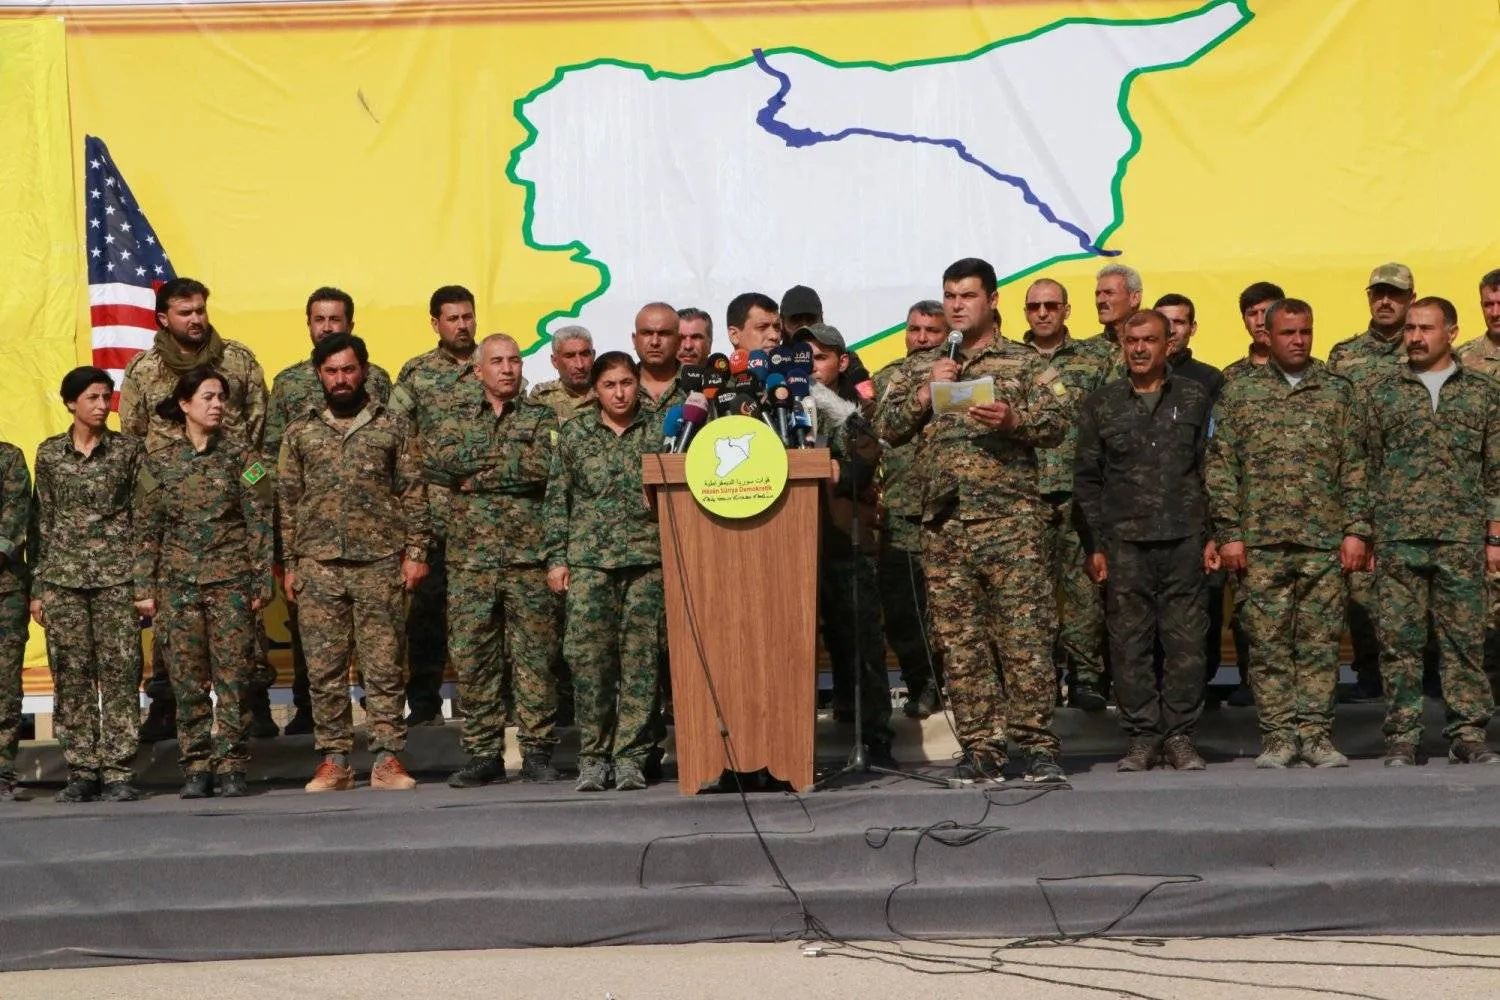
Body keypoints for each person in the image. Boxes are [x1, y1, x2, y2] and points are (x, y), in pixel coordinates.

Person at [874, 257, 1069, 784]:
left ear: (992, 300)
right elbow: (886, 428)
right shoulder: (924, 365)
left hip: (1011, 522)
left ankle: (1036, 745)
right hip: (945, 524)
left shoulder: (1024, 364)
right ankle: (983, 745)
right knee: (960, 642)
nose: (957, 305)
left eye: (968, 296)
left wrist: (1013, 419)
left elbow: (1059, 423)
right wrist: (925, 391)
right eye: (950, 296)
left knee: (1024, 637)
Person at [1206, 299, 1369, 768]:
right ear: (1267, 336)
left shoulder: (1338, 392)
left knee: (1319, 642)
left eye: (1305, 331)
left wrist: (1357, 531)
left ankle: (1316, 735)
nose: (1298, 340)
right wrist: (1229, 533)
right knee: (1268, 642)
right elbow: (1221, 469)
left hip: (1323, 540)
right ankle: (1278, 735)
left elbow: (1355, 466)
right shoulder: (1238, 393)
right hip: (1260, 542)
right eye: (1288, 333)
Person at [119, 277, 272, 742]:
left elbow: (259, 426)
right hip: (175, 513)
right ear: (164, 318)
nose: (196, 319)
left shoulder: (237, 361)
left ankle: (254, 703)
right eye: (185, 312)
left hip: (229, 502)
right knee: (176, 627)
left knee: (243, 619)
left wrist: (240, 471)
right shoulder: (144, 371)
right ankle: (168, 707)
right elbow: (133, 435)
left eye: (201, 310)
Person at [280, 333, 432, 791]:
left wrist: (417, 552)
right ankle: (335, 760)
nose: (341, 379)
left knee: (384, 664)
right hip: (318, 564)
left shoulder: (393, 426)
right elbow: (287, 501)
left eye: (348, 369)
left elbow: (413, 491)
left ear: (363, 370)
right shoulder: (300, 430)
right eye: (331, 371)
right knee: (324, 668)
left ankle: (387, 758)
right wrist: (289, 563)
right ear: (319, 376)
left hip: (380, 561)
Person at [1074, 309, 1214, 772]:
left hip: (1184, 539)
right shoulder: (1100, 405)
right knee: (1129, 644)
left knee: (1186, 644)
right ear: (1121, 344)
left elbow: (1212, 470)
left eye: (1148, 340)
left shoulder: (1196, 399)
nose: (1138, 349)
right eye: (1131, 340)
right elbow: (1088, 480)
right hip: (1125, 544)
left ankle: (1180, 736)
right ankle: (1141, 736)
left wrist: (1215, 534)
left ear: (1167, 343)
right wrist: (1096, 543)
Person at [1365, 297, 1500, 766]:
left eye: (1426, 328)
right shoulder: (1383, 392)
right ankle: (1403, 734)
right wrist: (1368, 532)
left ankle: (1468, 732)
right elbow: (1368, 465)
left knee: (1465, 640)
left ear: (1452, 333)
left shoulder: (1483, 392)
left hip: (1461, 536)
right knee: (1399, 642)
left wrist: (1494, 536)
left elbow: (1495, 468)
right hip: (1399, 535)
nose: (1416, 337)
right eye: (1410, 329)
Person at [429, 334, 563, 787]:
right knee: (474, 660)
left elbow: (546, 466)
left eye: (514, 361)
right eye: (497, 361)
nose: (507, 369)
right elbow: (440, 463)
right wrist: (509, 466)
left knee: (535, 659)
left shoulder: (543, 416)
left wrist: (478, 474)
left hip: (530, 558)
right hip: (471, 562)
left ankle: (538, 752)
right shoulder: (452, 420)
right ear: (478, 370)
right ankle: (484, 753)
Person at [135, 367, 274, 798]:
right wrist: (143, 586)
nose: (217, 405)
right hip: (177, 585)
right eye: (209, 397)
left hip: (230, 579)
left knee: (233, 676)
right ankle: (196, 764)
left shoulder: (242, 456)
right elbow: (146, 526)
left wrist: (260, 580)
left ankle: (231, 763)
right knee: (186, 678)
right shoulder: (158, 460)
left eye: (221, 398)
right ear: (184, 404)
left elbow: (261, 519)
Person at [264, 287, 393, 737]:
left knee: (381, 646)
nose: (327, 327)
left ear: (350, 325)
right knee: (317, 644)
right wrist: (284, 545)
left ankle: (385, 737)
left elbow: (394, 454)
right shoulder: (288, 383)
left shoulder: (375, 378)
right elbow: (273, 459)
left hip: (373, 541)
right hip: (315, 540)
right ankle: (308, 712)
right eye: (319, 319)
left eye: (335, 319)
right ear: (308, 324)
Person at [543, 352, 665, 792]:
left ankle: (631, 756)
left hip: (647, 562)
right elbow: (559, 500)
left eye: (627, 383)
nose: (619, 392)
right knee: (589, 662)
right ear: (596, 388)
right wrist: (556, 558)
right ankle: (594, 757)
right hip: (590, 563)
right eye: (610, 384)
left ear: (638, 384)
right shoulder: (574, 434)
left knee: (641, 662)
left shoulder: (661, 430)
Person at [30, 368, 147, 802]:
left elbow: (143, 516)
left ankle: (118, 769)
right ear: (70, 403)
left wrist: (143, 583)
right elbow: (43, 521)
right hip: (63, 579)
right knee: (71, 676)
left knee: (120, 672)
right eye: (92, 398)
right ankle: (82, 769)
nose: (101, 405)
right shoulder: (49, 455)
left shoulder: (129, 452)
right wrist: (39, 587)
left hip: (117, 578)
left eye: (105, 397)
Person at [797, 323, 895, 765]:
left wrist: (834, 464)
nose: (810, 367)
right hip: (790, 541)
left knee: (859, 639)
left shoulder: (860, 410)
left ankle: (873, 735)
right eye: (803, 357)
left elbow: (861, 464)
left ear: (840, 361)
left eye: (818, 357)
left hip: (845, 540)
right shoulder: (775, 404)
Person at [1017, 277, 1110, 710]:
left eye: (1051, 306)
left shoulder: (1096, 359)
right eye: (1034, 306)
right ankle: (1039, 681)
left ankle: (1087, 676)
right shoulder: (1008, 360)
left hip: (1080, 490)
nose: (1042, 313)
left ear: (1066, 310)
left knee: (1083, 590)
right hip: (1023, 491)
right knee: (1028, 595)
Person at [1328, 263, 1418, 704]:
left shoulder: (1428, 350)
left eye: (1395, 295)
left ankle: (1423, 678)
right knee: (1361, 589)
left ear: (1410, 299)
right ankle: (1368, 675)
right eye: (1379, 294)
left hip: (1414, 487)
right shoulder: (1344, 355)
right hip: (1359, 487)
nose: (1385, 302)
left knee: (1415, 588)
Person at [390, 285, 478, 727]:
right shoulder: (417, 373)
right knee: (426, 615)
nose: (462, 325)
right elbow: (396, 438)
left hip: (486, 516)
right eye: (453, 318)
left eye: (468, 317)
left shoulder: (496, 365)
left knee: (484, 615)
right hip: (432, 513)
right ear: (435, 323)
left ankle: (488, 708)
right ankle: (423, 705)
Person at [1156, 292, 1241, 700]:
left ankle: (1199, 689)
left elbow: (1218, 447)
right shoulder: (1129, 378)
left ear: (1192, 328)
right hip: (1148, 511)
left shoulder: (1210, 380)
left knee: (1201, 603)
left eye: (1180, 322)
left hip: (1198, 505)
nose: (1172, 330)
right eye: (1164, 321)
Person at [874, 301, 947, 719]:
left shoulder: (963, 376)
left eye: (931, 331)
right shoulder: (887, 379)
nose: (921, 338)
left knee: (950, 609)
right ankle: (920, 682)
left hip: (948, 510)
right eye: (914, 329)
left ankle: (956, 685)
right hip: (901, 511)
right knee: (904, 609)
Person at [1457, 270, 1500, 700]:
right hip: (1483, 506)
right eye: (1488, 303)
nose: (1495, 311)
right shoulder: (1464, 360)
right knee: (1482, 618)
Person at [0, 438, 31, 802]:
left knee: (4, 682)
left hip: (4, 588)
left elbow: (16, 512)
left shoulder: (8, 458)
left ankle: (3, 767)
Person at [1079, 262, 1142, 375]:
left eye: (1109, 293)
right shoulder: (1082, 351)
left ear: (1134, 298)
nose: (1100, 300)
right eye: (1098, 294)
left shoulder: (1156, 348)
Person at [1220, 282, 1286, 383]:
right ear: (1244, 321)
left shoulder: (1311, 371)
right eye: (1252, 314)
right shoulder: (1229, 377)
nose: (1260, 322)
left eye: (1266, 312)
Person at [530, 325, 597, 421]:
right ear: (555, 361)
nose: (580, 365)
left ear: (593, 356)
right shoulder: (542, 396)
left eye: (585, 354)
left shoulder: (611, 391)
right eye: (570, 356)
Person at [633, 302, 685, 414]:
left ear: (679, 341)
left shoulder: (700, 385)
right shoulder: (617, 388)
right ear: (634, 340)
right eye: (647, 333)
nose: (655, 342)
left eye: (664, 334)